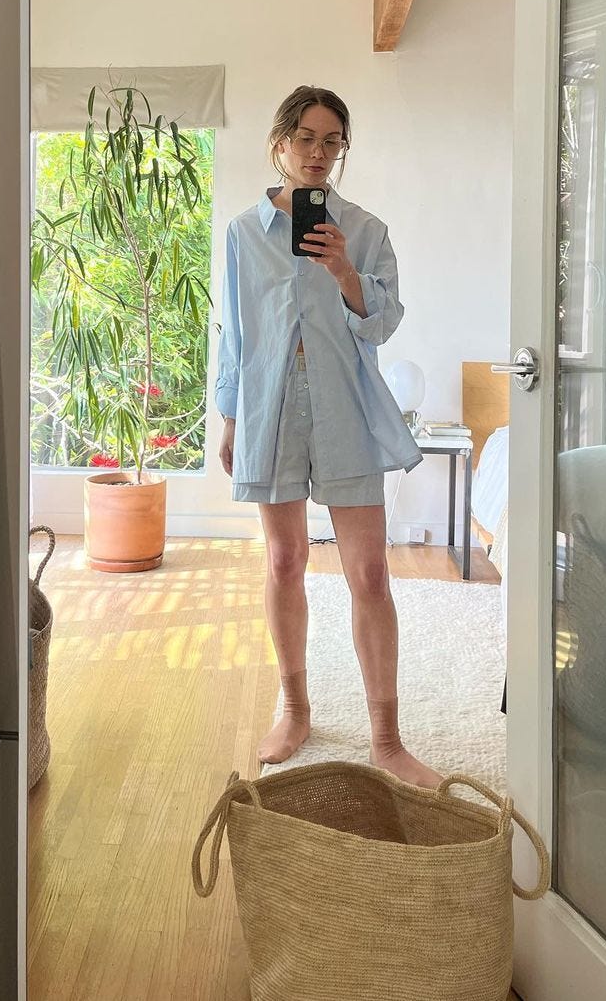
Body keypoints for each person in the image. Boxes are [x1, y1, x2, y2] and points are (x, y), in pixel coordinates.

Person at [216, 85, 441, 787]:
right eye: (306, 138)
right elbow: (236, 336)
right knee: (283, 562)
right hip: (269, 408)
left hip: (343, 406)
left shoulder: (365, 230)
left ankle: (386, 738)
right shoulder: (241, 233)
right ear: (280, 143)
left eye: (332, 141)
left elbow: (382, 323)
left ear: (342, 151)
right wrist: (229, 416)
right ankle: (296, 708)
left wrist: (345, 269)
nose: (318, 152)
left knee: (369, 574)